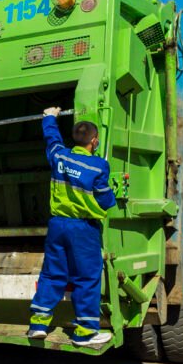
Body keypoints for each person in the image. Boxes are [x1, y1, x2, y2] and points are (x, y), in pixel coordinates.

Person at [27, 107, 116, 346]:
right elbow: (106, 200)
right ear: (94, 141)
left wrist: (49, 117)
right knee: (86, 277)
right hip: (83, 229)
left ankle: (38, 324)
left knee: (52, 273)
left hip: (57, 226)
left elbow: (52, 139)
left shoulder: (59, 156)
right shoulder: (98, 166)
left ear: (75, 138)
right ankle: (86, 331)